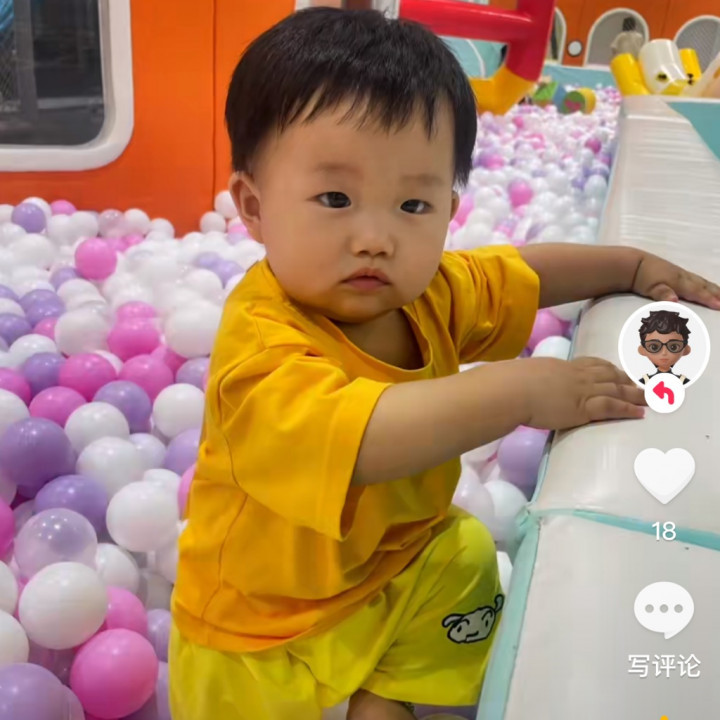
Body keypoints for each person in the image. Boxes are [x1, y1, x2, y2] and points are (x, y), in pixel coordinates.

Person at [169, 8, 720, 720]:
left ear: (450, 208)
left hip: (392, 568)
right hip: (261, 626)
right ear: (253, 206)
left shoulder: (425, 292)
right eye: (335, 199)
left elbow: (522, 271)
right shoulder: (260, 346)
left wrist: (631, 264)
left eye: (412, 203)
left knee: (462, 553)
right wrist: (517, 391)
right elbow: (362, 438)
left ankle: (390, 694)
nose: (376, 237)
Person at [637, 310, 692, 385]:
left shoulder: (684, 382)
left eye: (673, 347)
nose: (664, 353)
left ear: (685, 350)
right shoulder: (644, 381)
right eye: (654, 347)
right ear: (642, 350)